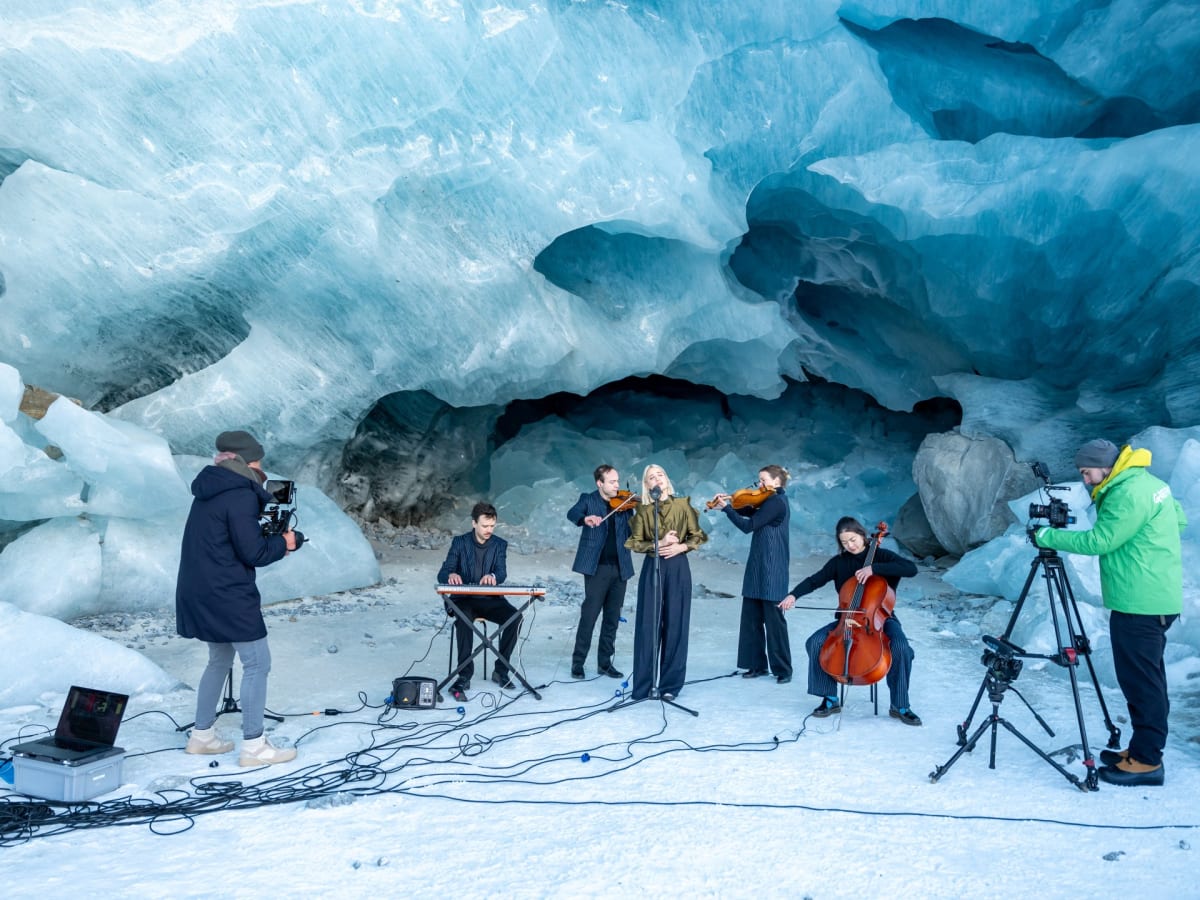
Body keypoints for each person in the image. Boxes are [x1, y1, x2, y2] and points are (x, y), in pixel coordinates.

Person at [1034, 438, 1186, 787]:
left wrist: (1046, 536)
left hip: (1139, 603)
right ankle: (1140, 749)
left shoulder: (1125, 493)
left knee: (1141, 683)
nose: (1086, 481)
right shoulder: (1150, 483)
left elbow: (1099, 542)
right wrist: (1145, 552)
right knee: (1149, 678)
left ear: (1104, 466)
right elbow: (1177, 523)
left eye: (1087, 473)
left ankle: (1147, 761)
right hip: (1156, 596)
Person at [176, 429, 300, 766]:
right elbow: (254, 552)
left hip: (199, 589)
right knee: (258, 663)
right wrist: (285, 543)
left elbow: (227, 539)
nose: (263, 467)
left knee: (218, 660)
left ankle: (201, 737)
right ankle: (255, 746)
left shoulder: (209, 490)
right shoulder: (241, 494)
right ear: (246, 461)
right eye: (259, 460)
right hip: (228, 592)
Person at [781, 517, 922, 726]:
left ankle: (900, 705)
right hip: (847, 620)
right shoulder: (839, 563)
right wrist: (793, 595)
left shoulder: (881, 555)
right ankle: (830, 698)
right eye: (844, 542)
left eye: (853, 539)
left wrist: (875, 569)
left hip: (880, 619)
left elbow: (911, 569)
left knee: (901, 646)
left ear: (862, 535)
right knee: (816, 642)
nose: (850, 545)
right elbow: (815, 580)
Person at [624, 464, 707, 701]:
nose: (657, 479)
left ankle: (670, 685)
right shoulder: (643, 510)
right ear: (647, 485)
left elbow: (698, 536)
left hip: (678, 568)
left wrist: (681, 546)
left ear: (667, 480)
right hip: (653, 568)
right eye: (651, 477)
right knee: (648, 626)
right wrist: (658, 543)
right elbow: (634, 542)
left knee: (676, 625)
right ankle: (643, 686)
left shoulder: (683, 505)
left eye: (660, 475)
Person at [711, 466, 792, 684]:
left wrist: (728, 509)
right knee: (751, 618)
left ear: (777, 481)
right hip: (758, 566)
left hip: (772, 568)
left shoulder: (776, 502)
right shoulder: (768, 500)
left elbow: (750, 526)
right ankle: (757, 665)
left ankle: (783, 669)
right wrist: (728, 506)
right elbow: (751, 511)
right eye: (758, 480)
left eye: (763, 480)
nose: (759, 485)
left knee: (774, 622)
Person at [438, 501, 518, 701]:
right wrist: (451, 575)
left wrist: (493, 576)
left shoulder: (499, 544)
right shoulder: (460, 542)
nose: (489, 530)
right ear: (474, 523)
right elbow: (443, 572)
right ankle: (464, 676)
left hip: (490, 600)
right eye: (485, 526)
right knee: (464, 619)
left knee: (515, 618)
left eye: (492, 526)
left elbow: (501, 572)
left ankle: (501, 670)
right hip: (464, 599)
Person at [567, 465, 635, 679]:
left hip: (621, 567)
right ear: (600, 483)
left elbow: (633, 530)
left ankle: (604, 663)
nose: (617, 485)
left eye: (617, 481)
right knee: (589, 616)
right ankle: (578, 663)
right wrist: (584, 519)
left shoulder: (625, 504)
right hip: (596, 568)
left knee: (612, 618)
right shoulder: (588, 499)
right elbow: (573, 513)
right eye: (612, 482)